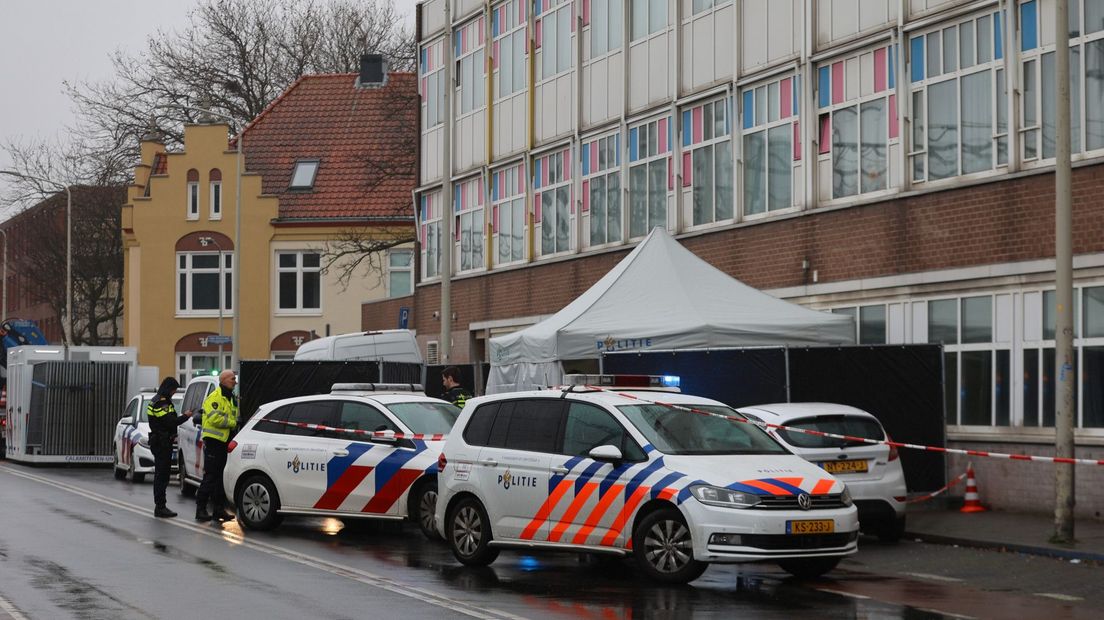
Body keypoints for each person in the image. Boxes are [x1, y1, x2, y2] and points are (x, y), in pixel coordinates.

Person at [195, 370, 238, 522]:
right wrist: (234, 424)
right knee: (211, 476)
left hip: (224, 442)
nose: (235, 381)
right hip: (214, 442)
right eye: (233, 379)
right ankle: (200, 509)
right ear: (225, 380)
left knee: (220, 477)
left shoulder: (231, 398)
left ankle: (218, 509)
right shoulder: (214, 397)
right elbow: (214, 419)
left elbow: (232, 415)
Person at [146, 377, 192, 518]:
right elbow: (170, 422)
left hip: (160, 441)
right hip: (162, 443)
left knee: (161, 475)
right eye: (173, 390)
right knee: (162, 476)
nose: (174, 392)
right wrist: (186, 416)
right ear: (168, 388)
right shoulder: (162, 403)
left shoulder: (155, 400)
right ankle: (160, 507)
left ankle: (160, 506)